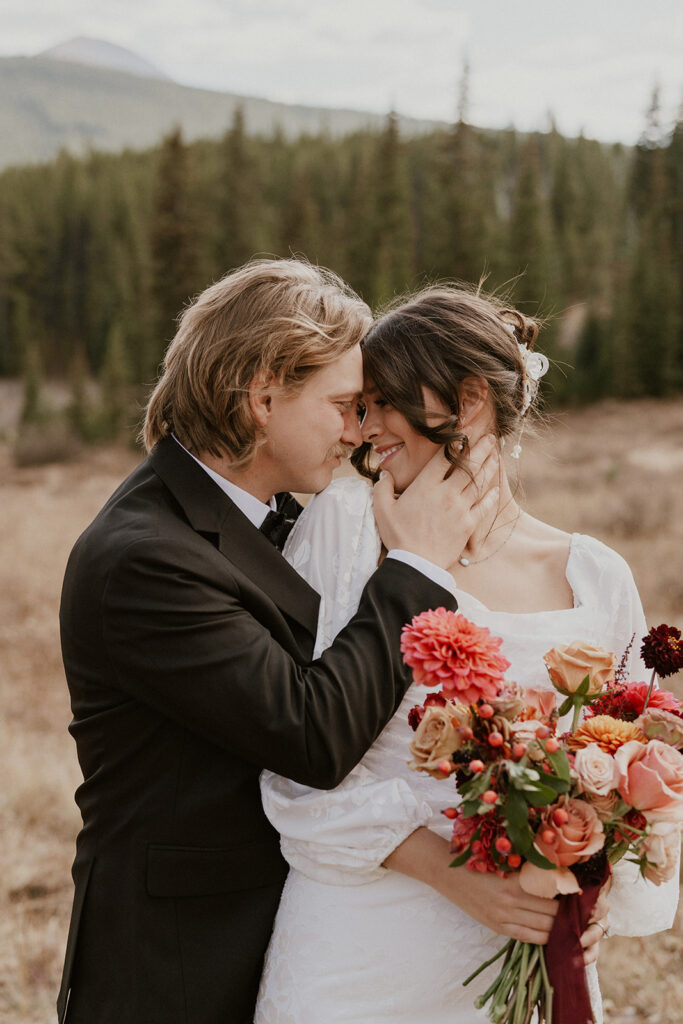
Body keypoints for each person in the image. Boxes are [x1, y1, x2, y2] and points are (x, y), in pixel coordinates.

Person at [56, 260, 503, 1024]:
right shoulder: (145, 557)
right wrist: (417, 568)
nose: (359, 430)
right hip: (176, 970)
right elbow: (311, 732)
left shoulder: (269, 517)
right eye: (343, 405)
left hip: (286, 941)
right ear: (263, 397)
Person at [255, 284, 679, 1023]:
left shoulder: (595, 575)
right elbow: (291, 760)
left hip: (524, 960)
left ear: (470, 398)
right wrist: (457, 875)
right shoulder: (343, 536)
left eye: (385, 401)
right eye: (359, 406)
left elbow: (650, 760)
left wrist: (599, 870)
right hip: (359, 953)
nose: (366, 429)